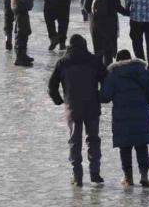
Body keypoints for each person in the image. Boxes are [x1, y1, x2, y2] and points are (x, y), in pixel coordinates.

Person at [48, 34, 107, 187]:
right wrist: (102, 97)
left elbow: (52, 86)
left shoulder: (63, 62)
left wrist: (59, 100)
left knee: (75, 141)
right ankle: (95, 173)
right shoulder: (94, 61)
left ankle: (77, 176)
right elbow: (106, 81)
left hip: (72, 108)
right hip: (92, 106)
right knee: (93, 139)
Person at [100, 49, 149, 187]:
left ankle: (128, 177)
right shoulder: (143, 72)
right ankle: (144, 175)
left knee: (125, 148)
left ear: (117, 61)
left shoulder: (113, 75)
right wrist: (144, 105)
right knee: (141, 146)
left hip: (122, 117)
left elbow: (105, 96)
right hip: (141, 115)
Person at [83, 0, 130, 67]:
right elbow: (118, 7)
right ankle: (109, 71)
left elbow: (86, 8)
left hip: (95, 25)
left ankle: (99, 72)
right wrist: (129, 13)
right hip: (110, 25)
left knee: (98, 51)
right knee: (108, 52)